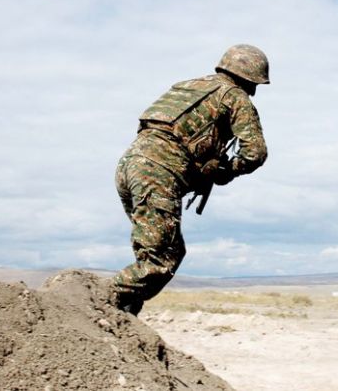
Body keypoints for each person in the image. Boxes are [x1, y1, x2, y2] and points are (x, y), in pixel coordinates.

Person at [110, 44, 270, 315]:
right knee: (161, 259)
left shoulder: (186, 87)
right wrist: (226, 171)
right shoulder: (234, 96)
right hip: (157, 174)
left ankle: (119, 319)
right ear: (250, 77)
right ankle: (95, 298)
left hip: (129, 166)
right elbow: (255, 152)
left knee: (154, 252)